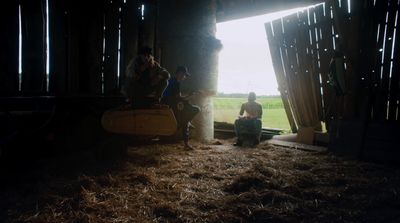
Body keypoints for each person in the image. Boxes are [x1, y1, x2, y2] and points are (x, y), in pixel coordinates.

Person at [162, 66, 200, 150]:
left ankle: (186, 124)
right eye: (184, 75)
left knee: (186, 114)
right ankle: (185, 124)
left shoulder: (172, 80)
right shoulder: (175, 82)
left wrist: (187, 97)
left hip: (169, 103)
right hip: (170, 104)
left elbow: (178, 97)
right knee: (195, 110)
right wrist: (191, 96)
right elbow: (178, 98)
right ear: (180, 73)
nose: (185, 77)